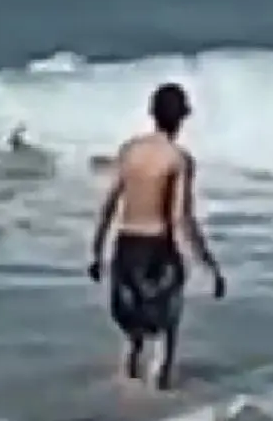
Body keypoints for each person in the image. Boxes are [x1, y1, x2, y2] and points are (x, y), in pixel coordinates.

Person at [87, 84, 226, 390]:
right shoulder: (177, 159)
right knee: (168, 327)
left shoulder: (130, 150)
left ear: (152, 113)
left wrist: (97, 251)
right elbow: (180, 218)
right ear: (182, 117)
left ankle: (128, 387)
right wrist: (209, 265)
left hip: (125, 245)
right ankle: (160, 391)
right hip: (156, 247)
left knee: (133, 331)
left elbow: (110, 202)